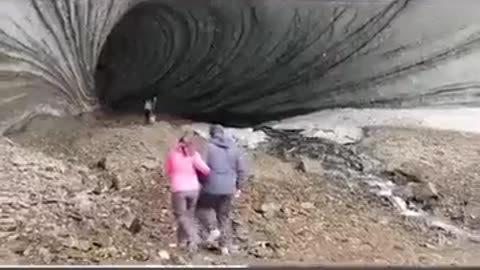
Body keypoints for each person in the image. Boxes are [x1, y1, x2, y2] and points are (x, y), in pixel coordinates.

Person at [196, 124, 248, 256]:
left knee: (201, 208)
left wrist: (201, 182)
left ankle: (213, 230)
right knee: (224, 216)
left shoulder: (208, 147)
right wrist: (239, 187)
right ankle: (225, 247)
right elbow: (242, 170)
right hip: (229, 188)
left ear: (211, 134)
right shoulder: (234, 148)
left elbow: (201, 168)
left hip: (211, 187)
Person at [164, 131, 210, 253]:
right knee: (188, 216)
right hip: (194, 189)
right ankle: (182, 243)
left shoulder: (172, 154)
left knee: (181, 216)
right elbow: (206, 170)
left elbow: (167, 170)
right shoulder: (193, 155)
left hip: (179, 189)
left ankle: (194, 237)